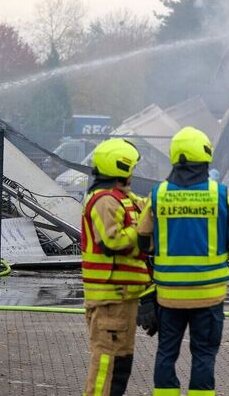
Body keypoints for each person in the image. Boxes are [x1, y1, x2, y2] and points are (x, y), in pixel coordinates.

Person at [138, 126, 229, 396]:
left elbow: (143, 241)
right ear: (206, 155)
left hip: (168, 296)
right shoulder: (221, 194)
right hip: (208, 295)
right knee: (203, 354)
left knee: (166, 352)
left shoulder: (158, 195)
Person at [80, 138, 151, 396]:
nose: (133, 174)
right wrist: (141, 234)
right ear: (121, 167)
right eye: (131, 168)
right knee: (107, 364)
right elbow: (111, 240)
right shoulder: (105, 200)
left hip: (123, 297)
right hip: (109, 299)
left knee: (121, 364)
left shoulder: (124, 198)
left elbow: (148, 207)